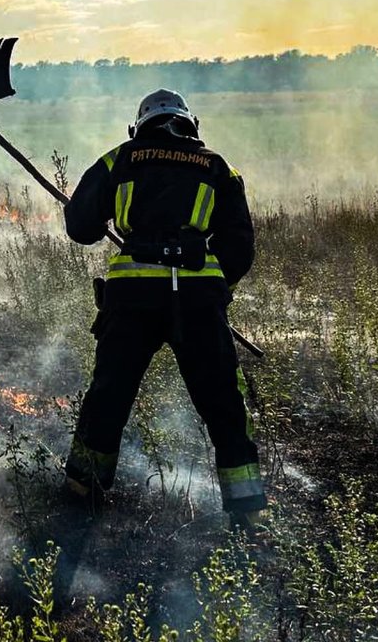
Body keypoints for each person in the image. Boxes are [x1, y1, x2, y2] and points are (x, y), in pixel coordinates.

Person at [62, 88, 267, 535]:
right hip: (198, 303)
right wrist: (214, 284)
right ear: (192, 123)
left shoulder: (118, 160)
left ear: (138, 127)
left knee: (109, 396)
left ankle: (83, 493)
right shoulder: (218, 167)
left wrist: (107, 223)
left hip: (132, 299)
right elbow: (239, 247)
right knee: (224, 405)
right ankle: (247, 508)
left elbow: (80, 227)